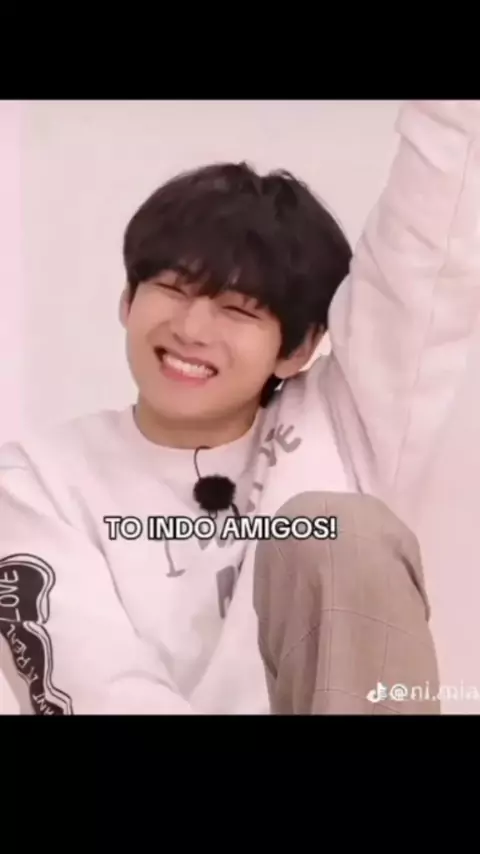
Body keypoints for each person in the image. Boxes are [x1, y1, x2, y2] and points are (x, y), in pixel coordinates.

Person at [1, 100, 479, 715]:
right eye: (172, 289)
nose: (191, 329)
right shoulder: (36, 483)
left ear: (298, 348)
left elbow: (426, 254)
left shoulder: (342, 423)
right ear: (127, 300)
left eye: (237, 310)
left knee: (338, 526)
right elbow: (97, 691)